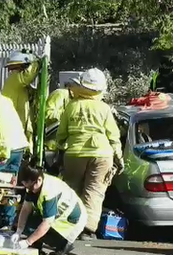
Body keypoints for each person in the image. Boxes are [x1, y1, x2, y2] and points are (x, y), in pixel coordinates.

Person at [55, 68, 124, 241]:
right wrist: (119, 159)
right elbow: (113, 137)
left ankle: (70, 226)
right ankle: (88, 230)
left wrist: (61, 151)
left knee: (72, 190)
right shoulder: (104, 108)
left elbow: (61, 135)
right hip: (102, 155)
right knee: (94, 192)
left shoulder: (71, 106)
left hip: (74, 154)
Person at [11, 162, 87, 255]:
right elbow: (26, 209)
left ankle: (63, 246)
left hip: (69, 225)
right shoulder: (35, 182)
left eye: (30, 187)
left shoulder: (49, 191)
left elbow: (47, 223)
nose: (29, 190)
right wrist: (19, 231)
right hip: (57, 219)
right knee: (19, 222)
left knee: (34, 229)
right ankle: (37, 247)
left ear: (38, 180)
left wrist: (28, 242)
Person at [0, 96, 29, 229]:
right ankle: (7, 220)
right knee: (11, 184)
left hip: (4, 147)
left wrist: (2, 150)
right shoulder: (6, 100)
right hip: (19, 144)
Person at [1, 50, 41, 153]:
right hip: (14, 128)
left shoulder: (19, 85)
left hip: (19, 126)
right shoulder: (15, 79)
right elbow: (28, 75)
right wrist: (38, 62)